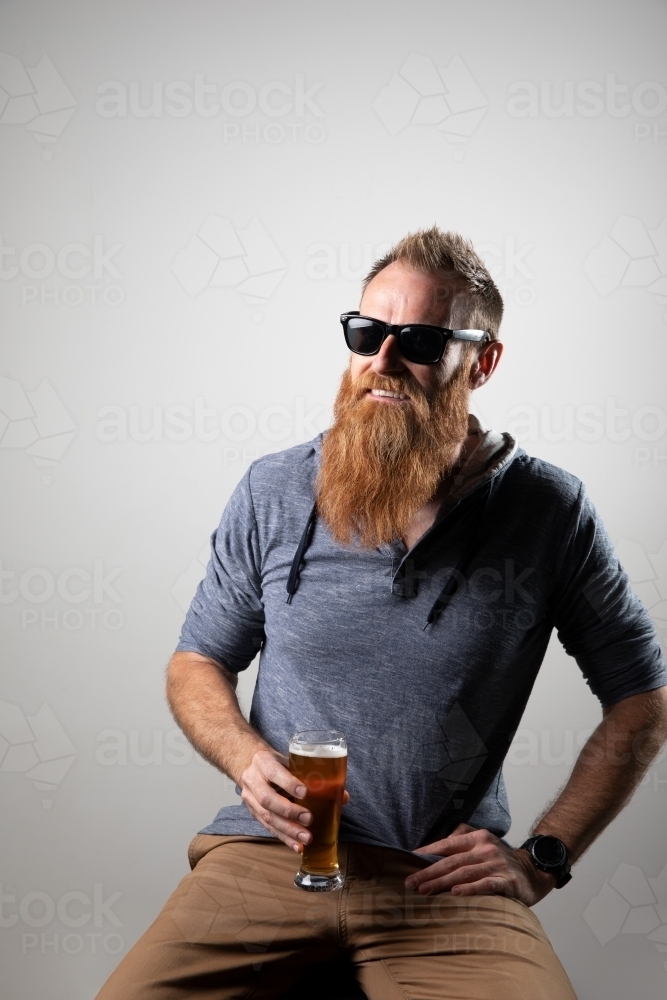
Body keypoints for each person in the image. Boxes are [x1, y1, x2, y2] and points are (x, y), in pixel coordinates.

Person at [97, 227, 667, 1000]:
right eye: (366, 333)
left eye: (422, 340)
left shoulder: (548, 511)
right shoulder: (273, 489)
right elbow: (196, 659)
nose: (383, 361)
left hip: (441, 883)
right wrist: (242, 758)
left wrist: (545, 856)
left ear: (482, 362)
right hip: (272, 856)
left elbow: (641, 696)